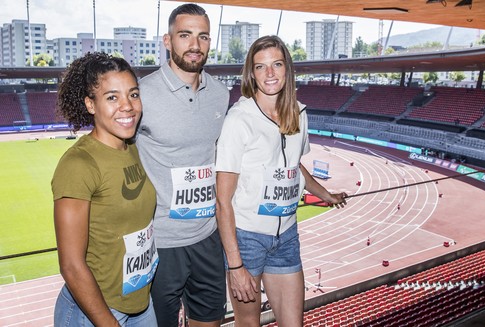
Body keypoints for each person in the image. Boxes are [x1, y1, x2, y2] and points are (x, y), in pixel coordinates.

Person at [215, 35, 348, 327]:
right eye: (261, 67)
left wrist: (325, 194)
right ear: (252, 74)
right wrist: (235, 265)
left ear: (287, 68)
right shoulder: (239, 120)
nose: (270, 74)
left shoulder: (298, 113)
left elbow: (292, 165)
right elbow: (223, 200)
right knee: (248, 324)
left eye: (276, 64)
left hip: (287, 235)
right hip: (247, 238)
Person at [135, 3, 229, 326]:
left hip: (207, 239)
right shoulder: (141, 95)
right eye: (185, 35)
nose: (194, 45)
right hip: (160, 244)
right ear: (167, 40)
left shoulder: (221, 95)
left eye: (202, 37)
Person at [52, 52, 158, 326]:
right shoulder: (79, 164)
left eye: (133, 94)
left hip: (140, 303)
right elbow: (72, 266)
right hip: (95, 312)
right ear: (90, 104)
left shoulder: (132, 149)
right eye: (112, 97)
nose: (128, 106)